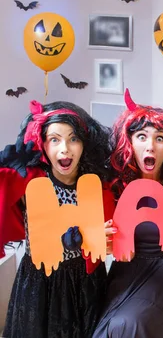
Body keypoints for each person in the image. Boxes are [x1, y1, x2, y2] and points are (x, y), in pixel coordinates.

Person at [1, 100, 114, 337]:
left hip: (86, 278)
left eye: (73, 139)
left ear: (85, 143)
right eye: (55, 139)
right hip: (41, 280)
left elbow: (108, 236)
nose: (65, 148)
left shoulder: (96, 184)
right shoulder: (29, 183)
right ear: (42, 144)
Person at [93, 89, 163, 338]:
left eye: (160, 138)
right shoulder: (116, 187)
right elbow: (115, 252)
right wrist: (104, 240)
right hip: (126, 272)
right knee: (113, 327)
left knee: (132, 324)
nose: (150, 145)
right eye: (142, 136)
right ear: (129, 142)